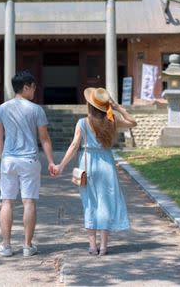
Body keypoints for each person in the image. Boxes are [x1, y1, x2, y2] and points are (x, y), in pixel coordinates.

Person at [52, 87, 137, 256]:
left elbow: (75, 145)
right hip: (106, 164)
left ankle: (92, 246)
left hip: (88, 163)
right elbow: (133, 122)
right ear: (105, 106)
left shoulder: (83, 123)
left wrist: (61, 166)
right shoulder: (111, 121)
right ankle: (104, 246)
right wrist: (117, 107)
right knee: (105, 203)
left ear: (90, 105)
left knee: (90, 204)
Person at [0, 70, 55, 257]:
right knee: (29, 202)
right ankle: (27, 246)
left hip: (9, 160)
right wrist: (51, 161)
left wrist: (3, 157)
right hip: (29, 159)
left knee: (7, 202)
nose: (35, 90)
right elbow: (44, 138)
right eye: (34, 87)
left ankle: (6, 246)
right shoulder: (36, 110)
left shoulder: (2, 108)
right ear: (26, 87)